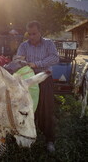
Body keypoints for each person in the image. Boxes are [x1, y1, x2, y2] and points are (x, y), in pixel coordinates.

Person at [16, 20, 59, 153]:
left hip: (44, 79)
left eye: (34, 34)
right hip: (28, 81)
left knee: (47, 109)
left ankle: (49, 140)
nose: (31, 37)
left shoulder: (48, 43)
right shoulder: (24, 45)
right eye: (29, 34)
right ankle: (25, 136)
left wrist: (37, 63)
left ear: (40, 32)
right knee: (26, 109)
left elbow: (55, 58)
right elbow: (18, 60)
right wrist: (19, 61)